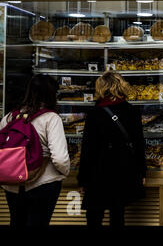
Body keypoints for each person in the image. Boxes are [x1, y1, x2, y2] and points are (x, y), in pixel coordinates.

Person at [77, 71, 146, 228]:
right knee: (118, 214)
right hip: (123, 170)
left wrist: (82, 179)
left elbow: (87, 149)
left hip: (98, 172)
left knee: (94, 216)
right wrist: (142, 172)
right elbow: (138, 144)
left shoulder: (95, 113)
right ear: (121, 86)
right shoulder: (132, 111)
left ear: (101, 88)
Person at [0, 74, 70, 227]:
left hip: (12, 184)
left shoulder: (9, 118)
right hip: (43, 184)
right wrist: (64, 173)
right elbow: (59, 158)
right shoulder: (51, 118)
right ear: (52, 94)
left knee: (16, 222)